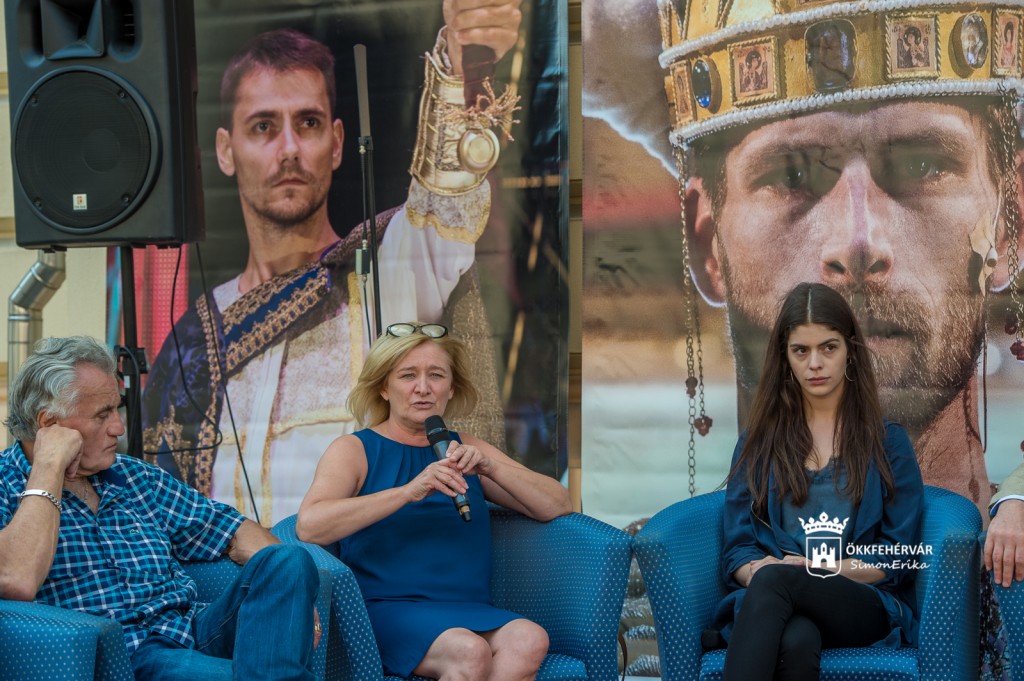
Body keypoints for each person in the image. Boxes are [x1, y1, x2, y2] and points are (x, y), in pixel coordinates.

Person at [583, 0, 1024, 519]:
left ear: (1009, 225)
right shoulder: (653, 567)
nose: (858, 242)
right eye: (791, 175)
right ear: (707, 246)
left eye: (923, 165)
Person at [143, 0, 522, 525]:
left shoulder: (386, 271)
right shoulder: (197, 336)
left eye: (309, 122)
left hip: (357, 568)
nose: (289, 148)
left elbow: (444, 201)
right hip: (233, 572)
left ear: (338, 142)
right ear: (225, 151)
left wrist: (460, 64)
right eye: (262, 127)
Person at [0, 336, 321, 680]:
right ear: (49, 424)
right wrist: (49, 466)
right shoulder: (6, 485)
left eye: (117, 409)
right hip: (129, 657)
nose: (118, 427)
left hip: (193, 628)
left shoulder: (135, 477)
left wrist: (295, 604)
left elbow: (233, 529)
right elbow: (16, 580)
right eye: (102, 414)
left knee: (288, 560)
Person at [296, 321, 572, 680]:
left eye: (436, 375)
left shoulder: (465, 446)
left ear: (451, 387)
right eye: (408, 375)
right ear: (383, 387)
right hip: (386, 609)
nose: (423, 388)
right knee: (469, 651)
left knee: (530, 639)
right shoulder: (354, 449)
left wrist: (491, 468)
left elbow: (557, 504)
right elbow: (310, 525)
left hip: (467, 607)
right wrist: (408, 492)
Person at [714, 283, 923, 680]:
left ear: (850, 352)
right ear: (785, 357)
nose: (815, 363)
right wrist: (756, 571)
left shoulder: (888, 442)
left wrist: (814, 568)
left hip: (861, 603)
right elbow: (738, 549)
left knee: (779, 580)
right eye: (801, 350)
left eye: (828, 348)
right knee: (796, 640)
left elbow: (898, 558)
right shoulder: (759, 443)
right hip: (777, 602)